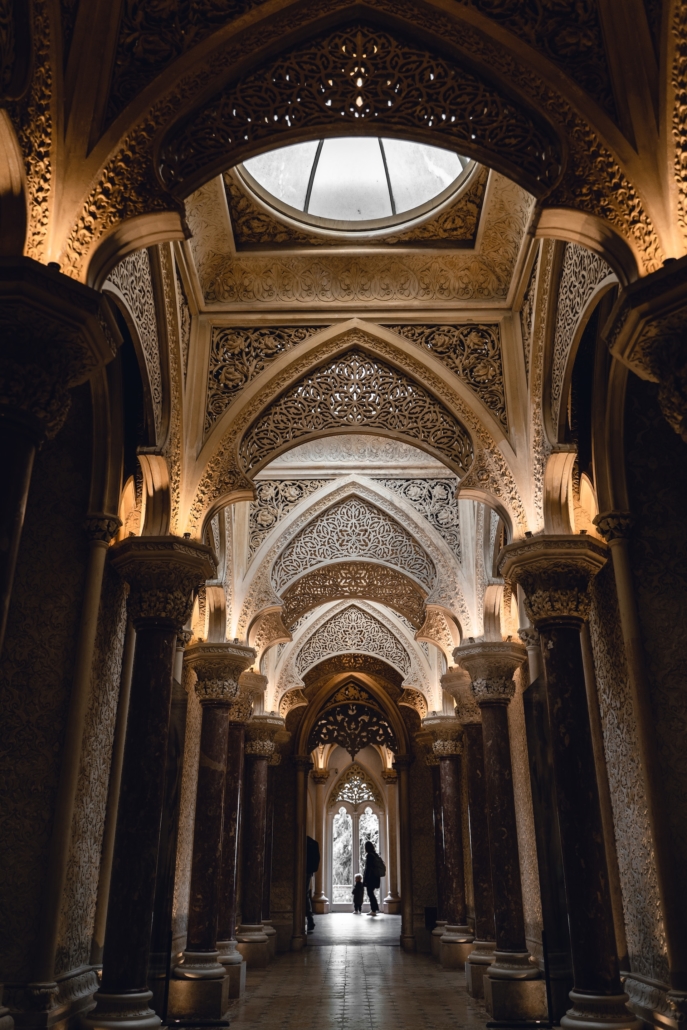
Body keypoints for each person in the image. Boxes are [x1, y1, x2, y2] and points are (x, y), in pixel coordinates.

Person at [362, 839, 383, 917]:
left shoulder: (369, 856)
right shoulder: (375, 854)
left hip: (371, 878)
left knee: (370, 893)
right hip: (376, 878)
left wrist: (365, 880)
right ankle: (374, 909)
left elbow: (367, 869)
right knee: (371, 893)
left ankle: (374, 910)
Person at [306, 835, 320, 933]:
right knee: (306, 895)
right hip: (308, 872)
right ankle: (310, 920)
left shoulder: (304, 842)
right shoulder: (313, 843)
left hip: (304, 871)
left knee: (304, 895)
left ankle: (309, 919)